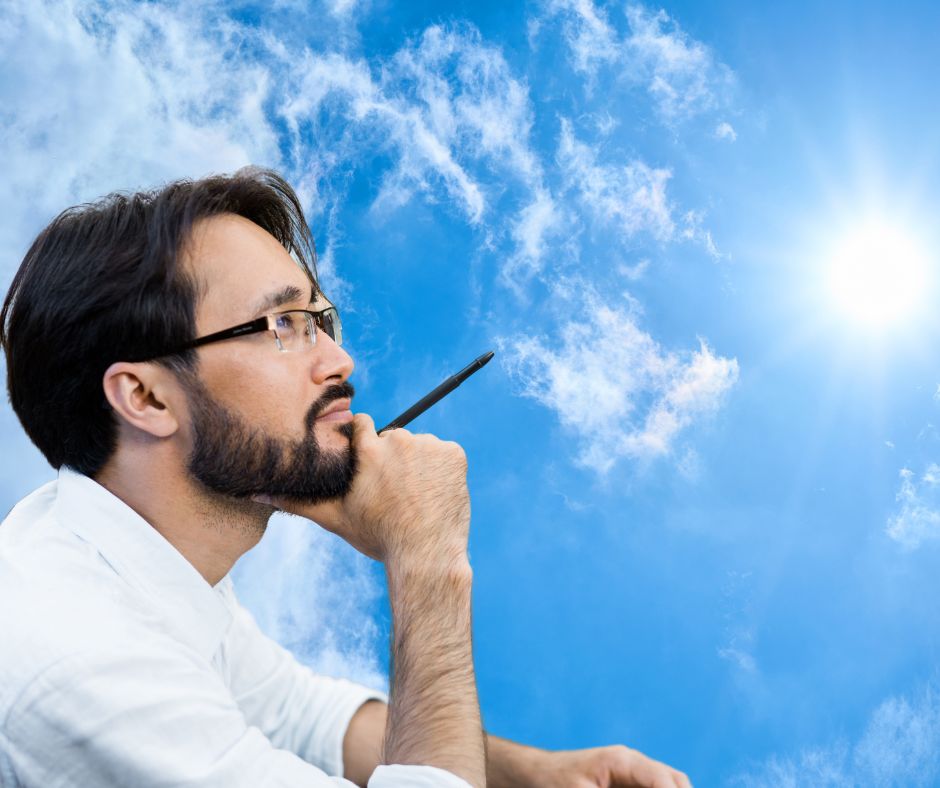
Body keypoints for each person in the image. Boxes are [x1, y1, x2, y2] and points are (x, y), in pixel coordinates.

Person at [0, 167, 691, 788]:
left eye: (319, 320)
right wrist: (426, 560)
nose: (340, 360)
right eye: (282, 324)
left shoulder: (133, 552)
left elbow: (300, 716)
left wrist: (532, 773)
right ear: (146, 398)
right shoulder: (78, 661)